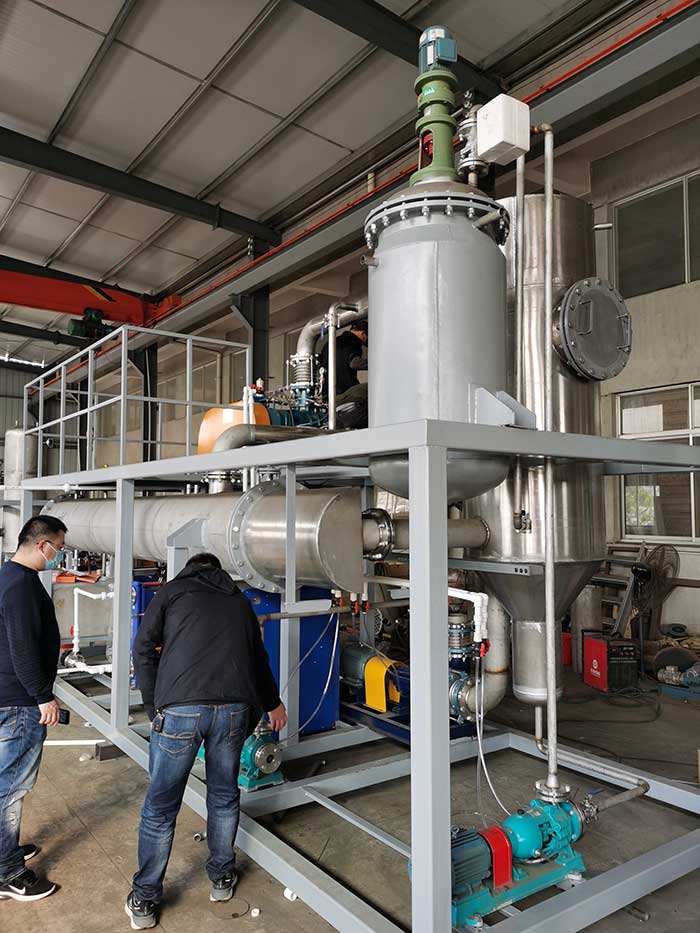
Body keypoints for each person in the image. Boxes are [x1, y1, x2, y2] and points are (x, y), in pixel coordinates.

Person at [127, 552, 287, 930]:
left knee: (161, 806)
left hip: (181, 709)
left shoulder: (171, 592)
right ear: (220, 571)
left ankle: (145, 898)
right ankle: (221, 877)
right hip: (232, 709)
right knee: (224, 795)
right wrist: (272, 703)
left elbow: (142, 648)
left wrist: (153, 706)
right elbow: (258, 659)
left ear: (189, 569)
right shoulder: (239, 600)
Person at [0, 514, 67, 902]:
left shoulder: (8, 576)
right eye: (59, 548)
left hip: (8, 693)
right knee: (11, 787)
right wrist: (42, 696)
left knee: (4, 781)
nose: (59, 555)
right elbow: (23, 648)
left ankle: (4, 849)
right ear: (42, 545)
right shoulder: (22, 586)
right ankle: (7, 872)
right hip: (19, 701)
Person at [318, 322, 368, 397]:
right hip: (346, 392)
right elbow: (354, 363)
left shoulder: (330, 343)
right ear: (363, 333)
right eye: (367, 337)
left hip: (329, 395)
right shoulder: (353, 341)